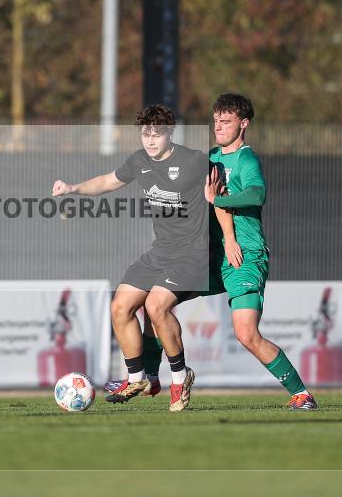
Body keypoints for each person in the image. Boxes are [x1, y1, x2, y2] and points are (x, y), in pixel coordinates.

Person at [52, 104, 212, 412]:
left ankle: (180, 377)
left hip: (192, 253)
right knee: (120, 306)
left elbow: (224, 191)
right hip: (160, 252)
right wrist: (73, 188)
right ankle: (136, 378)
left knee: (155, 306)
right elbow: (107, 181)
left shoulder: (194, 161)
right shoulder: (139, 161)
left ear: (170, 133)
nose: (150, 141)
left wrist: (233, 237)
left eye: (157, 135)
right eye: (145, 134)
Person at [204, 93, 317, 410]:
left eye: (225, 122)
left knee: (246, 333)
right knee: (160, 298)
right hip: (213, 256)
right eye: (215, 121)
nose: (218, 127)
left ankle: (301, 395)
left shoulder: (246, 160)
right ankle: (147, 378)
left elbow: (257, 193)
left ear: (243, 124)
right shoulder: (211, 157)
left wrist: (220, 201)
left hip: (244, 255)